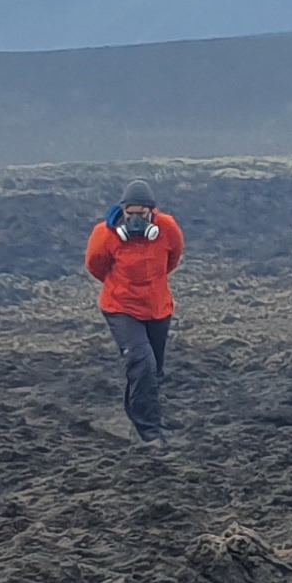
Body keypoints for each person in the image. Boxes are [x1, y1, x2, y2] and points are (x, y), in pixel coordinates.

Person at [84, 182, 186, 444]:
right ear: (123, 211)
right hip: (122, 308)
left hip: (158, 308)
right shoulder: (104, 235)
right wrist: (122, 287)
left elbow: (172, 259)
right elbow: (95, 266)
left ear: (152, 212)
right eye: (130, 213)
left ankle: (135, 417)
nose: (136, 219)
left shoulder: (168, 229)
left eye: (142, 213)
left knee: (152, 370)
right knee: (142, 363)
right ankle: (149, 434)